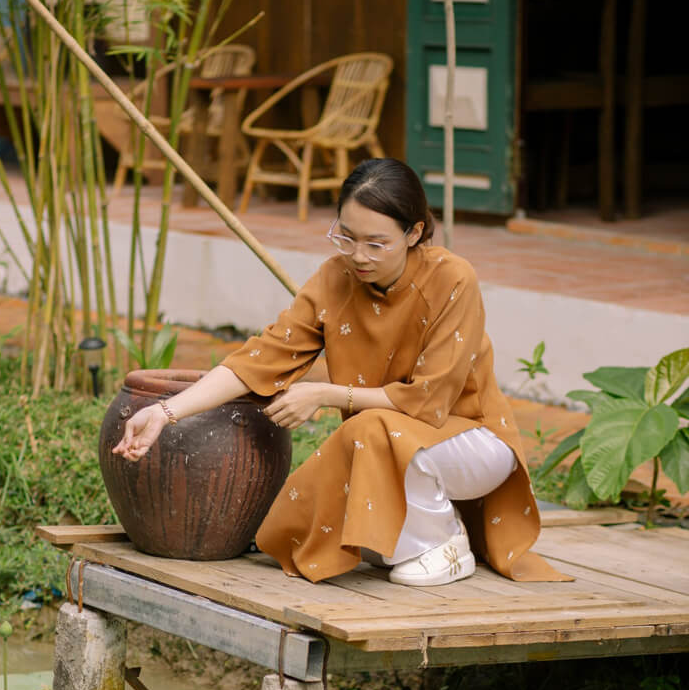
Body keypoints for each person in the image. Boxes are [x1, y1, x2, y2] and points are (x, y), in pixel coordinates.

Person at [113, 158, 569, 587]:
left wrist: (325, 394)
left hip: (474, 442)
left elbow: (428, 403)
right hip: (388, 441)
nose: (359, 255)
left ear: (414, 233)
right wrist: (165, 412)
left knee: (370, 428)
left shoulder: (454, 279)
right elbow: (259, 360)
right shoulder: (334, 279)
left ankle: (445, 542)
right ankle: (409, 538)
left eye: (377, 244)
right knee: (371, 433)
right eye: (346, 237)